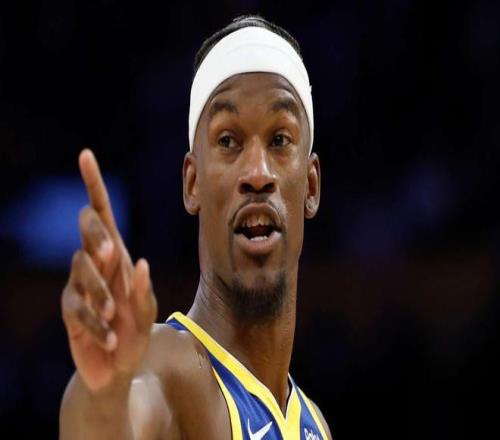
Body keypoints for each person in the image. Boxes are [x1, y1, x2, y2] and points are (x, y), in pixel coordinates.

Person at [59, 15, 332, 440]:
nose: (257, 173)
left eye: (279, 140)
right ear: (192, 184)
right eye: (228, 141)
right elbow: (127, 409)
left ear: (311, 187)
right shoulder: (168, 367)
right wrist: (105, 393)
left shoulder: (314, 423)